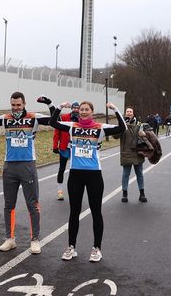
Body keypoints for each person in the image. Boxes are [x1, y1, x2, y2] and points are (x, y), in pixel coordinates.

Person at [50, 100, 125, 263]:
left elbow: (122, 128)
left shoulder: (100, 128)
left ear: (92, 112)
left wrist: (115, 110)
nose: (83, 112)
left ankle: (96, 248)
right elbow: (52, 122)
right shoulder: (72, 126)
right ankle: (71, 247)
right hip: (75, 174)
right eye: (81, 109)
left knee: (96, 212)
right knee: (74, 212)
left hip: (94, 175)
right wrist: (59, 107)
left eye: (87, 110)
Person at [0, 92, 55, 255]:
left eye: (18, 105)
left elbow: (54, 121)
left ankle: (35, 240)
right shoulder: (6, 118)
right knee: (9, 205)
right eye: (13, 105)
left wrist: (49, 104)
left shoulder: (33, 117)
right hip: (9, 166)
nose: (15, 108)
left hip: (27, 165)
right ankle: (10, 239)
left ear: (24, 104)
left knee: (32, 204)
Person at [113, 107, 149, 203]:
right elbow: (115, 136)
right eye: (127, 112)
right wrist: (120, 127)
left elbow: (148, 135)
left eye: (130, 112)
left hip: (138, 152)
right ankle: (124, 193)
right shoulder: (122, 124)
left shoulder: (139, 124)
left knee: (140, 174)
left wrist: (144, 134)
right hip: (126, 152)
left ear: (133, 113)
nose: (129, 113)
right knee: (126, 174)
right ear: (125, 113)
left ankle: (142, 193)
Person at [53, 101, 80, 201]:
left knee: (75, 170)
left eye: (78, 108)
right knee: (62, 168)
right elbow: (57, 131)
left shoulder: (81, 119)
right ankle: (60, 191)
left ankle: (75, 191)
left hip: (76, 148)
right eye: (74, 107)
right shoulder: (64, 117)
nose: (76, 109)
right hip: (64, 147)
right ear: (71, 108)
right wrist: (55, 145)